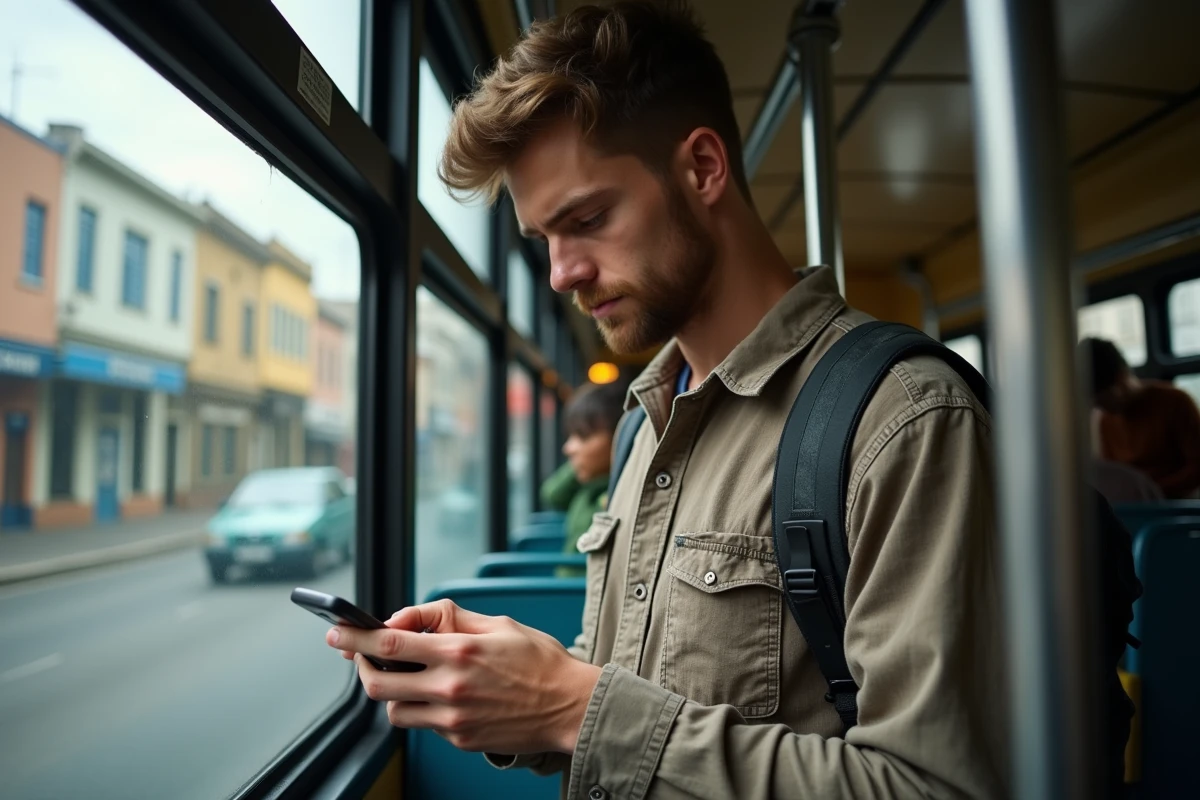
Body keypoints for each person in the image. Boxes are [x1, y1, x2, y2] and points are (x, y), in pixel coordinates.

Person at [327, 2, 1007, 797]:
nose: (562, 273)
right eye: (544, 240)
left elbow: (939, 786)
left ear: (703, 168)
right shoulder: (639, 430)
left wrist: (573, 709)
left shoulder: (904, 422)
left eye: (587, 219)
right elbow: (634, 688)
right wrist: (515, 684)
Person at [1083, 336, 1200, 499]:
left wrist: (1149, 490)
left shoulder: (1175, 402)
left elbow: (1197, 467)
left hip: (1177, 505)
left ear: (1121, 378)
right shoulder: (1105, 419)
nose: (1103, 407)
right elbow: (1115, 474)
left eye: (1104, 398)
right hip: (1136, 506)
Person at [540, 379, 630, 577]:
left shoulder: (621, 497)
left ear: (620, 437)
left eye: (583, 437)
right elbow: (552, 494)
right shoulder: (587, 488)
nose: (568, 448)